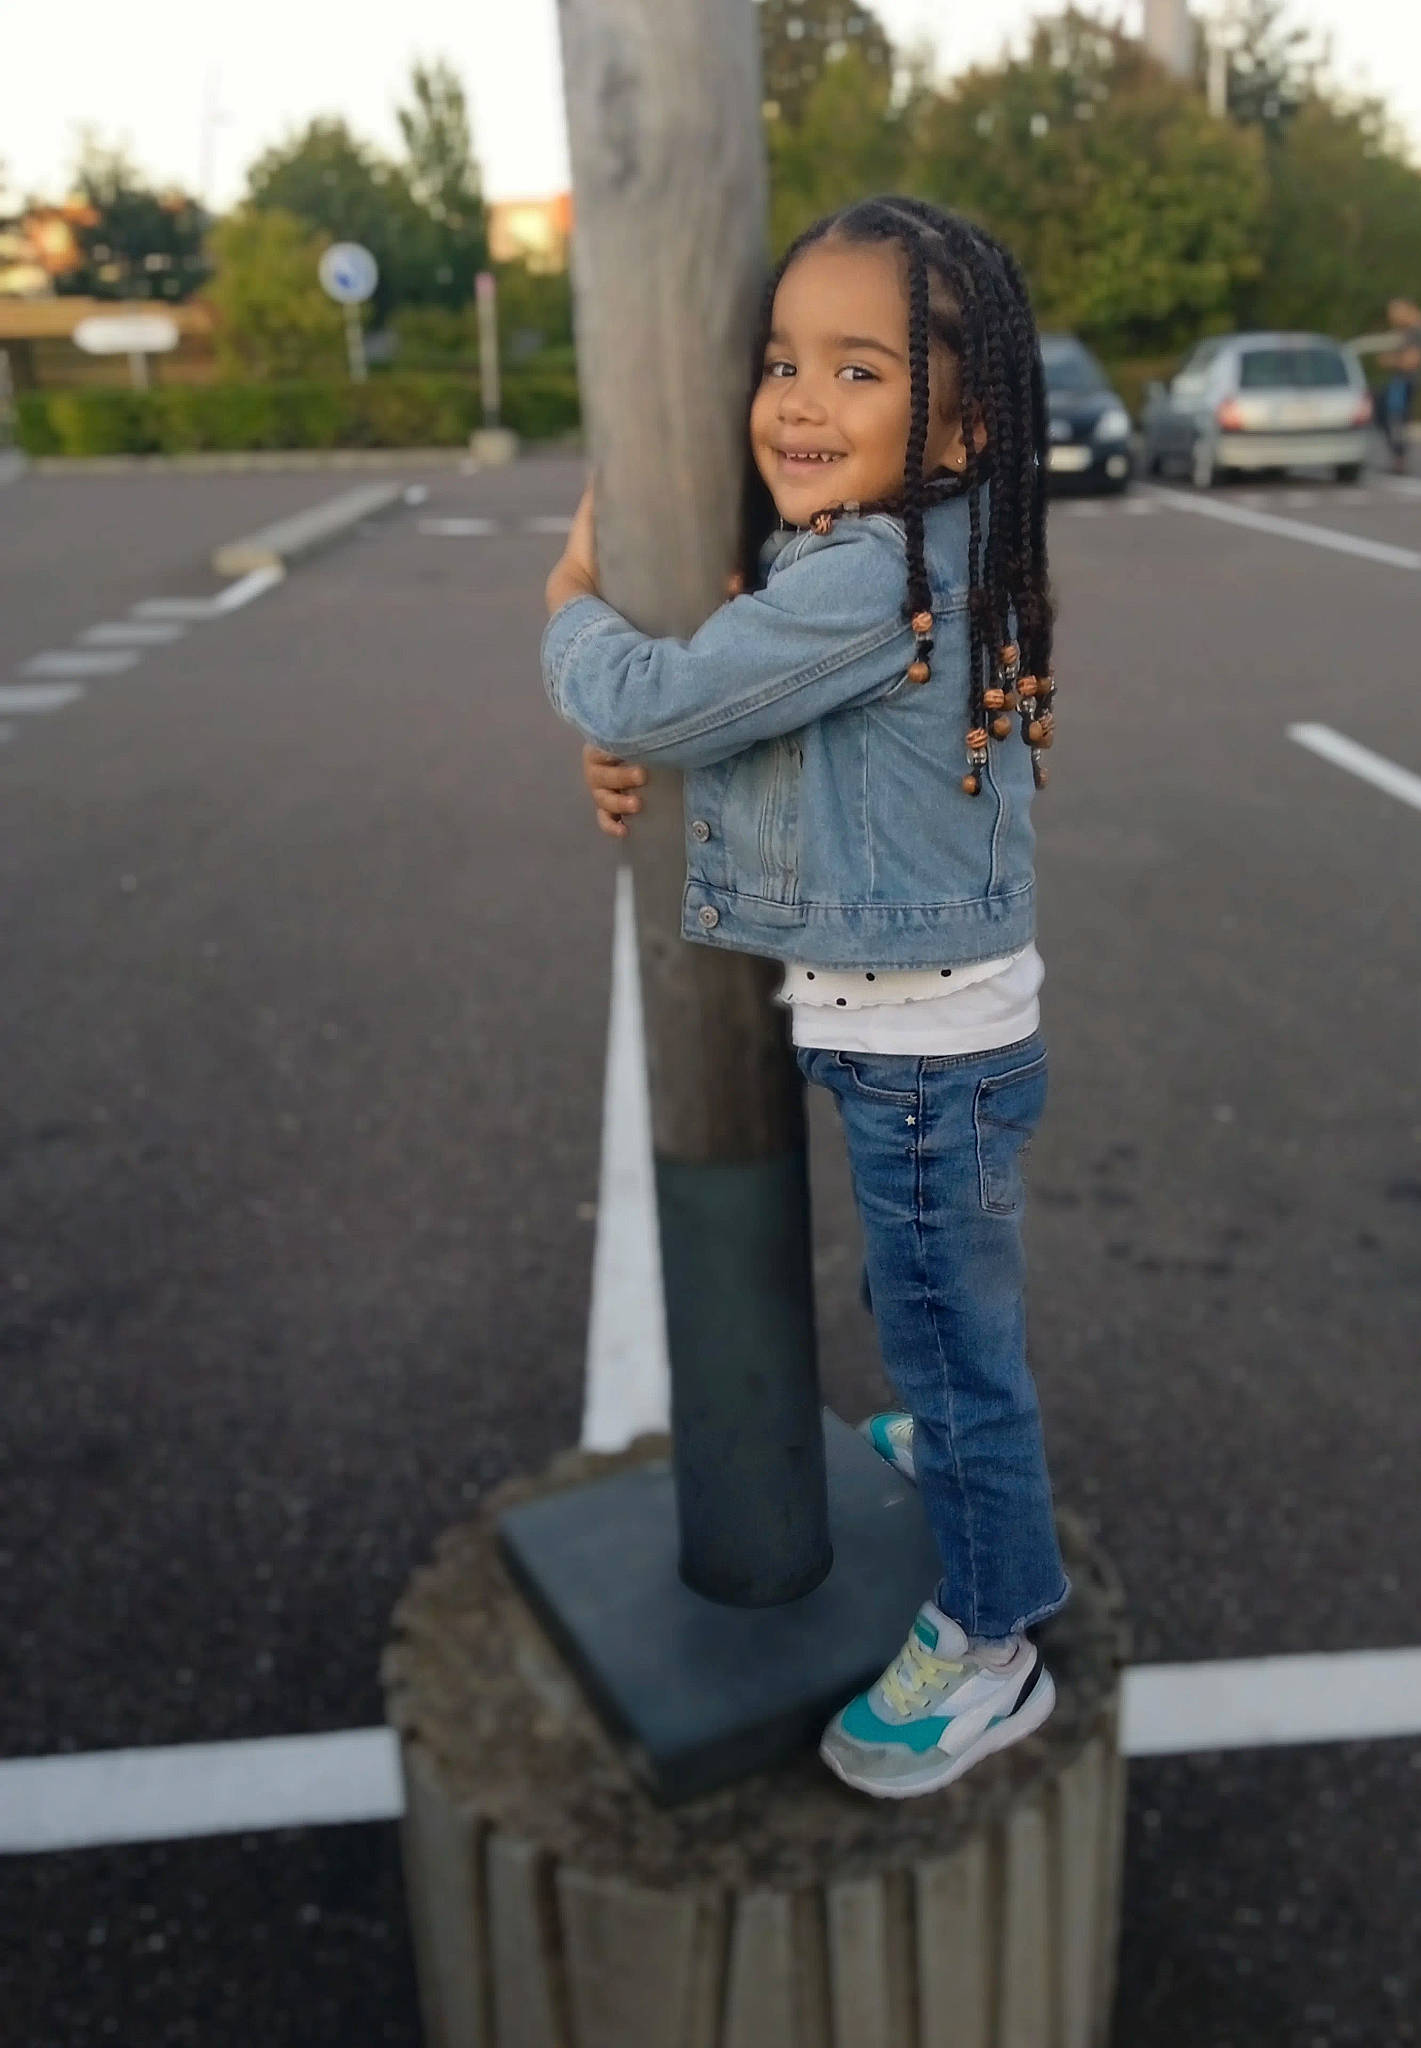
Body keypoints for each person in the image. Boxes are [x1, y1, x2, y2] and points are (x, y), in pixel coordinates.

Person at [543, 196, 1068, 1800]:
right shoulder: (924, 545)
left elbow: (660, 687)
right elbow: (748, 695)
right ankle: (968, 1472)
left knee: (951, 1352)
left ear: (961, 417)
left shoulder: (863, 588)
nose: (794, 402)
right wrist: (674, 713)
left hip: (921, 1052)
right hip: (934, 1036)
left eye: (857, 370)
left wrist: (575, 593)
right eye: (782, 361)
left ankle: (992, 1639)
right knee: (927, 1314)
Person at [1367, 297, 1421, 473]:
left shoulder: (1416, 332)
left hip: (1405, 382)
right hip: (1399, 382)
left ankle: (1400, 458)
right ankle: (1398, 456)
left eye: (1395, 312)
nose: (1392, 317)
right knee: (1385, 414)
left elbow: (1411, 361)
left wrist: (1388, 360)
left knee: (1395, 419)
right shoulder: (1406, 332)